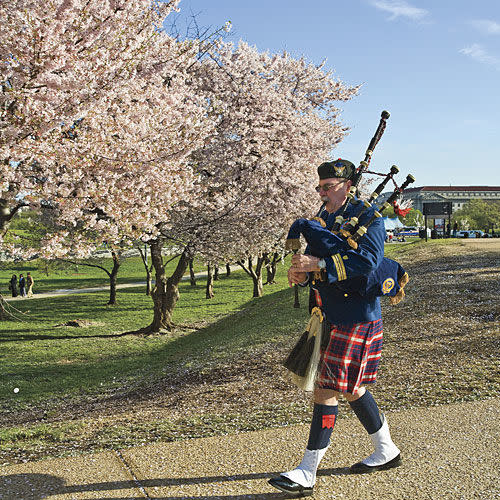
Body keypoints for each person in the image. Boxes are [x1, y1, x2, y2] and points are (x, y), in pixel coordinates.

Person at [269, 159, 401, 497]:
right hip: (328, 314)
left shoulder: (368, 217)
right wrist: (300, 273)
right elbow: (315, 264)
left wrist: (321, 263)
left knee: (324, 389)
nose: (322, 193)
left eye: (328, 186)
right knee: (351, 388)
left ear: (347, 184)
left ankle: (307, 472)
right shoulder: (324, 218)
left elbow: (367, 262)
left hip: (357, 315)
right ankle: (386, 449)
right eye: (320, 187)